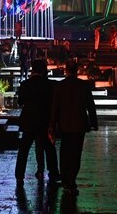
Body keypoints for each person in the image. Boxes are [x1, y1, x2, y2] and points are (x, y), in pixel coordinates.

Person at [48, 60, 98, 195]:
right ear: (77, 71)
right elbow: (90, 106)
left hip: (64, 124)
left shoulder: (59, 86)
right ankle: (71, 180)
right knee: (76, 154)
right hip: (79, 124)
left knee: (64, 152)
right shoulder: (83, 86)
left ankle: (65, 179)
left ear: (66, 70)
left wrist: (52, 125)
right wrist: (94, 123)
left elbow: (55, 108)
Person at [15, 60, 59, 184]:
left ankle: (19, 175)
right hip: (44, 120)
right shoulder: (50, 85)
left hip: (28, 121)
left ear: (32, 70)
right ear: (44, 71)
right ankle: (53, 172)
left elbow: (20, 102)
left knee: (24, 149)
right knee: (49, 148)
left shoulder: (25, 84)